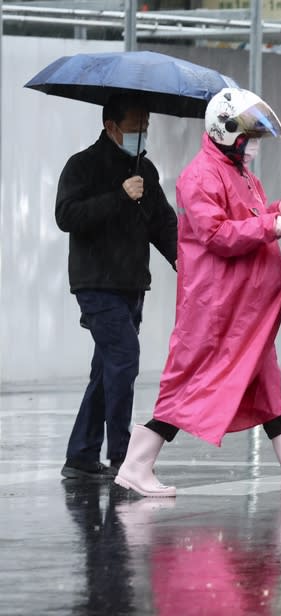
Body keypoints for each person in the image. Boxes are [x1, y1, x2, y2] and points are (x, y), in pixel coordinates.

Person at [113, 87, 281, 498]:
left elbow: (246, 218)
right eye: (248, 137)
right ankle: (135, 466)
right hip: (217, 308)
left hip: (244, 309)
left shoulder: (237, 171)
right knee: (190, 385)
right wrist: (274, 226)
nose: (254, 146)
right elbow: (218, 234)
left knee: (268, 388)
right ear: (226, 133)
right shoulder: (200, 175)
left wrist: (277, 210)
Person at [55, 94, 178, 479]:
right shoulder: (82, 166)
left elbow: (163, 225)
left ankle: (80, 455)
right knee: (124, 359)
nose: (141, 133)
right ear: (111, 127)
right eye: (135, 126)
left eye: (145, 126)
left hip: (131, 284)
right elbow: (66, 215)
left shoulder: (146, 171)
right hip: (95, 284)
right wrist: (119, 196)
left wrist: (186, 263)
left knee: (107, 369)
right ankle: (123, 457)